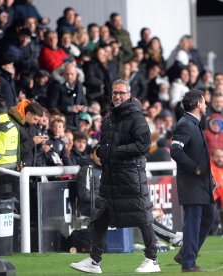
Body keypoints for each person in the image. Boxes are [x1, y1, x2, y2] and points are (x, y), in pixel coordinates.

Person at [70, 79, 160, 273]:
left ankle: (152, 259)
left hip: (130, 176)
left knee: (143, 217)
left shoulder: (137, 117)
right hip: (111, 176)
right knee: (100, 218)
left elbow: (143, 146)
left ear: (129, 95)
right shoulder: (109, 118)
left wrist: (114, 151)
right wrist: (101, 149)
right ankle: (94, 261)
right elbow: (107, 145)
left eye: (121, 93)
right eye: (115, 93)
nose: (117, 96)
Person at [170, 89, 215, 272]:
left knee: (209, 217)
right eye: (204, 102)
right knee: (193, 221)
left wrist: (207, 175)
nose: (205, 105)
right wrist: (195, 168)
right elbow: (175, 150)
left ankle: (185, 253)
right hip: (192, 183)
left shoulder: (194, 123)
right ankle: (188, 264)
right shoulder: (186, 124)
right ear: (198, 104)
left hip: (201, 183)